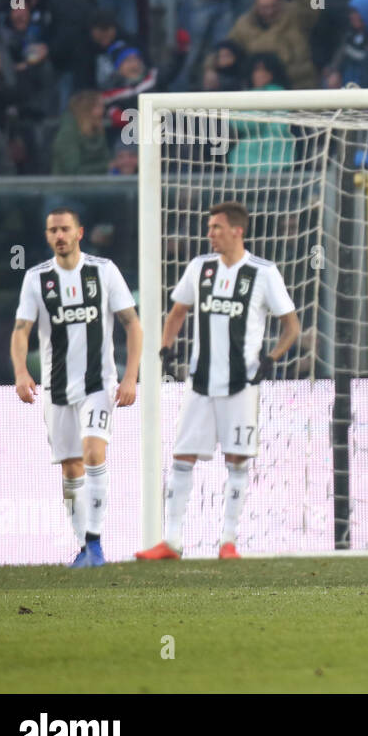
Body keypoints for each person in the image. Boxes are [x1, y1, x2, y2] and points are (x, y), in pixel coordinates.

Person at [136, 202, 301, 560]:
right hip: (200, 382)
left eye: (216, 227)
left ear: (236, 231)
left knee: (237, 459)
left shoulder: (262, 272)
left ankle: (228, 540)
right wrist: (167, 348)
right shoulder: (200, 269)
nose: (210, 233)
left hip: (241, 385)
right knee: (182, 457)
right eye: (209, 227)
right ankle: (172, 540)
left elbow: (291, 324)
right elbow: (178, 311)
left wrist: (271, 359)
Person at [11, 207, 142, 567]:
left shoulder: (103, 271)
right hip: (55, 389)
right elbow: (21, 330)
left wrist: (131, 376)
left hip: (98, 383)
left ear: (80, 232)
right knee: (70, 469)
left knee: (94, 453)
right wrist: (21, 372)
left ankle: (96, 544)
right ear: (48, 235)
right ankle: (84, 546)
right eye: (53, 230)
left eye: (65, 229)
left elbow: (132, 324)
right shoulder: (37, 279)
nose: (60, 236)